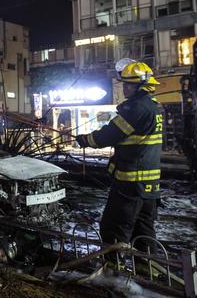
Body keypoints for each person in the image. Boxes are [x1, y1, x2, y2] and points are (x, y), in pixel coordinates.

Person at [75, 62, 163, 258]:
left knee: (113, 226)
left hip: (131, 181)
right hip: (149, 184)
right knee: (143, 228)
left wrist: (84, 140)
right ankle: (150, 271)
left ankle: (114, 272)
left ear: (141, 86)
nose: (124, 88)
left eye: (128, 85)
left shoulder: (136, 108)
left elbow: (109, 135)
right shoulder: (154, 107)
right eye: (124, 84)